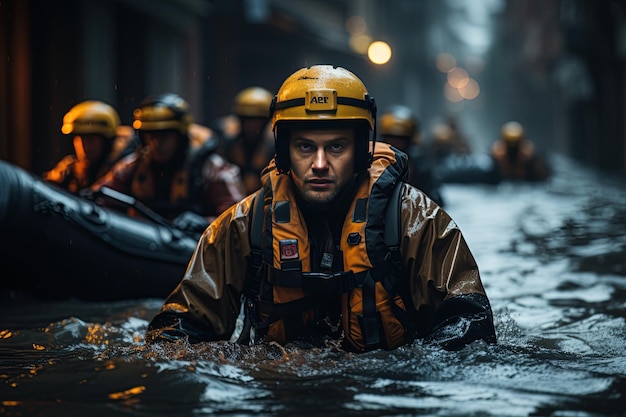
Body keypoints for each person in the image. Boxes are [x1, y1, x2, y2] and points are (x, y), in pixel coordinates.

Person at [145, 65, 496, 353]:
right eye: (304, 147)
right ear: (284, 152)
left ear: (362, 150)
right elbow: (177, 329)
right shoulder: (244, 224)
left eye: (337, 147)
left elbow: (469, 323)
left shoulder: (416, 219)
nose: (319, 164)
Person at [91, 92, 246, 231]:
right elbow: (97, 199)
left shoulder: (212, 168)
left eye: (164, 136)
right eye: (150, 135)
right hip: (141, 250)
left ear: (180, 136)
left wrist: (204, 223)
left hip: (195, 253)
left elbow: (239, 217)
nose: (156, 144)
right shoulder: (133, 165)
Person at [43, 100, 137, 193]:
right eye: (78, 139)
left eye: (90, 139)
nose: (83, 146)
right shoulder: (70, 169)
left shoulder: (126, 171)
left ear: (107, 141)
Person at [379, 105, 445, 207]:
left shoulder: (421, 166)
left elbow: (435, 200)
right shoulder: (375, 162)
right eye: (391, 137)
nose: (395, 143)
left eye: (400, 139)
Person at [215, 86, 276, 195]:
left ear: (267, 121)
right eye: (246, 119)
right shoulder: (228, 142)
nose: (250, 125)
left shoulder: (275, 145)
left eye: (256, 120)